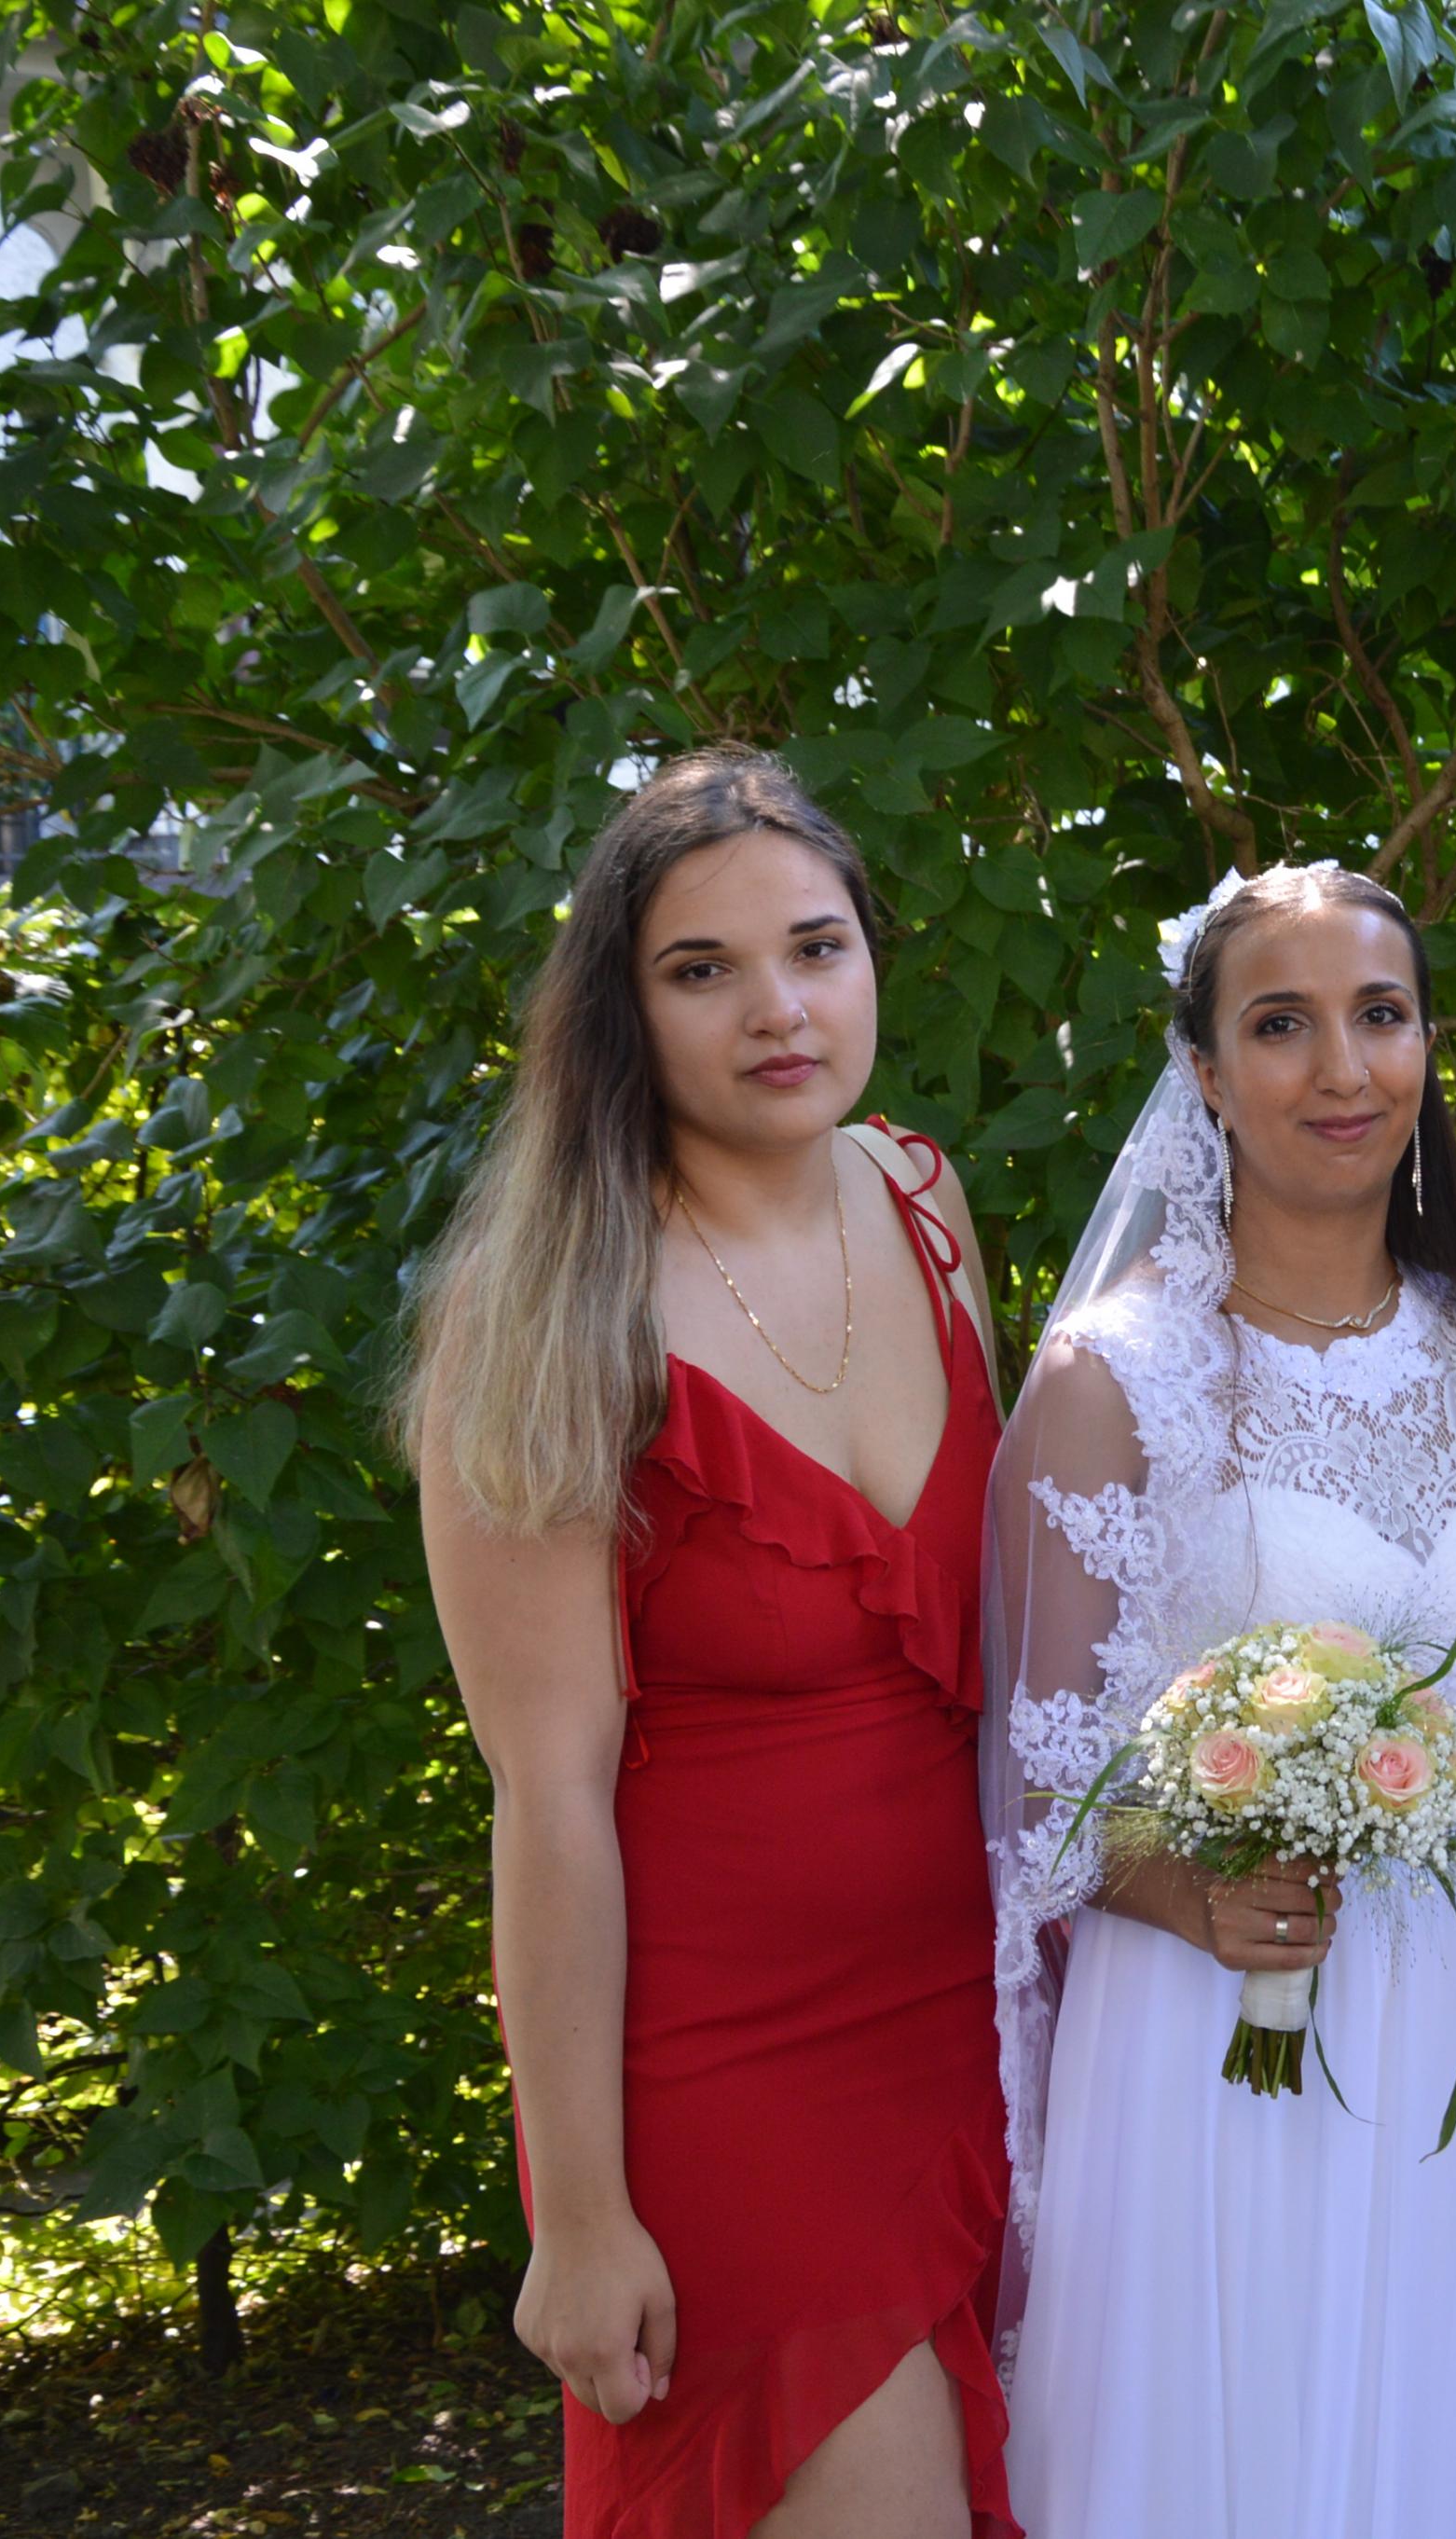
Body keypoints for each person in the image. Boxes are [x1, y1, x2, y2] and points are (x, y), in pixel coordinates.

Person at [982, 862, 1456, 2538]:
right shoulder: (1119, 1375)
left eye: (1381, 1015)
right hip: (1234, 2018)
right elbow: (1041, 1792)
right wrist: (1197, 1894)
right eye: (1282, 1025)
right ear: (1204, 1072)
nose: (1344, 1069)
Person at [405, 749, 1016, 2539]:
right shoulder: (551, 1314)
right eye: (703, 970)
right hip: (730, 2078)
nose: (779, 1010)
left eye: (816, 948)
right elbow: (547, 1801)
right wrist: (580, 2217)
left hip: (984, 2030)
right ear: (623, 1011)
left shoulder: (924, 1204)